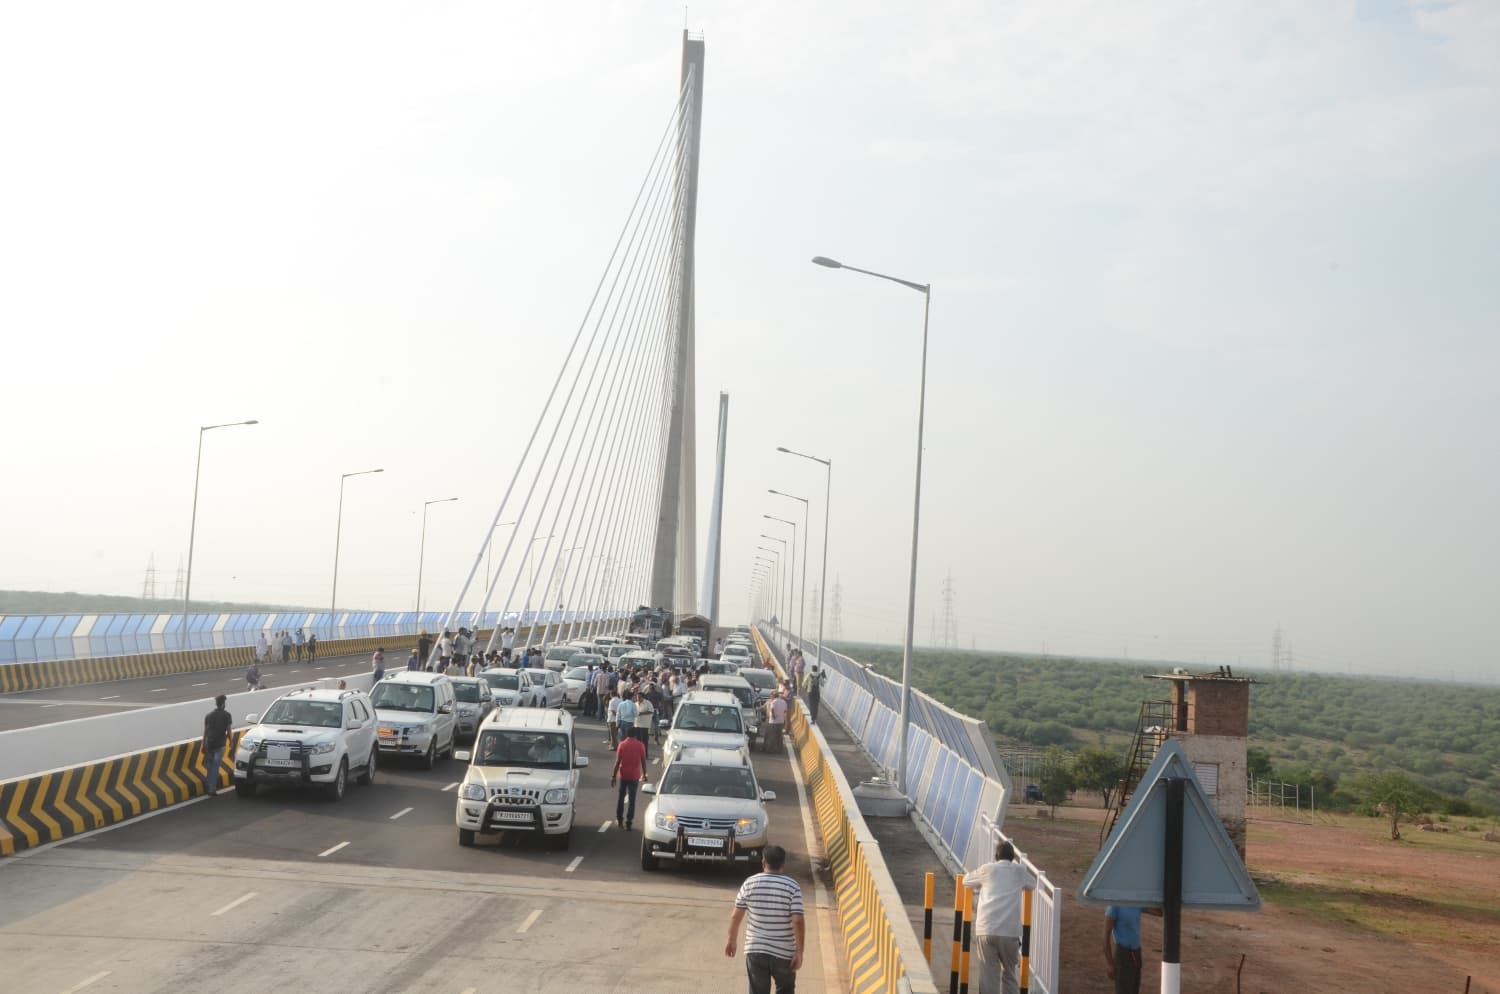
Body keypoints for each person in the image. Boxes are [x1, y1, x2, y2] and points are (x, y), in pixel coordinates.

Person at [726, 844, 805, 994]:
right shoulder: (792, 886)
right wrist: (799, 952)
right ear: (783, 864)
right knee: (785, 990)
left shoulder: (750, 883)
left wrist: (732, 940)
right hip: (783, 953)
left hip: (755, 950)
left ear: (763, 862)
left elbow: (736, 915)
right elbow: (798, 921)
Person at [963, 841, 1035, 994]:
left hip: (986, 928)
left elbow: (966, 881)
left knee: (988, 974)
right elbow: (1032, 884)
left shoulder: (988, 869)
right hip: (1010, 932)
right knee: (1009, 974)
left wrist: (981, 886)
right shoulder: (1019, 870)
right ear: (1012, 857)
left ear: (996, 856)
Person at [610, 728, 647, 830]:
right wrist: (645, 774)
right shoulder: (640, 745)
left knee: (621, 798)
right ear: (635, 735)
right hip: (634, 776)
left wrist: (613, 776)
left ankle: (619, 819)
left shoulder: (622, 744)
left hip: (623, 775)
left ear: (627, 735)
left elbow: (617, 762)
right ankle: (629, 822)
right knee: (632, 800)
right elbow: (643, 761)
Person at [1105, 905, 1145, 994]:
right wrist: (1110, 964)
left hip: (1136, 954)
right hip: (1123, 955)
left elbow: (1159, 912)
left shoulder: (1136, 902)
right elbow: (1106, 936)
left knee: (1134, 990)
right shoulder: (1114, 906)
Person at [201, 694, 233, 796]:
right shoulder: (227, 715)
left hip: (209, 744)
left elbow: (205, 732)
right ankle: (211, 789)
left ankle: (208, 785)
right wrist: (231, 742)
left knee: (210, 766)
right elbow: (228, 731)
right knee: (215, 767)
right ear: (223, 704)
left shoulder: (208, 715)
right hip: (220, 745)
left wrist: (203, 745)